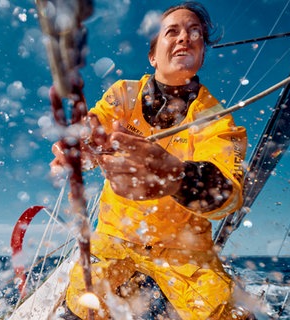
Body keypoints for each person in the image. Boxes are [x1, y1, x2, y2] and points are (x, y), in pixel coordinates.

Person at [50, 2, 250, 319]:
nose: (185, 38)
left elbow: (230, 199)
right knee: (80, 306)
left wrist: (175, 177)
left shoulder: (217, 119)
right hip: (115, 240)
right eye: (172, 31)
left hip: (186, 253)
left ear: (201, 54)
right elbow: (91, 131)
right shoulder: (123, 94)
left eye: (194, 32)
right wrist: (80, 151)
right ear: (153, 56)